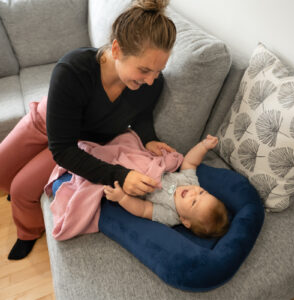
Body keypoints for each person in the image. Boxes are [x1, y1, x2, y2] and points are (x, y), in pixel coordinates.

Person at [0, 0, 177, 259]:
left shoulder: (151, 84)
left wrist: (148, 138)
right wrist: (121, 175)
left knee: (21, 189)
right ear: (116, 49)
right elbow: (59, 142)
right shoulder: (73, 70)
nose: (151, 80)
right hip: (43, 123)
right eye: (144, 69)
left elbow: (141, 113)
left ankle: (29, 231)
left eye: (158, 71)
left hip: (76, 142)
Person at [104, 135, 229, 238]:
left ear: (185, 221)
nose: (194, 193)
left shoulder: (170, 215)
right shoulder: (191, 182)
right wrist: (204, 146)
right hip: (151, 164)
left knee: (114, 164)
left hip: (138, 179)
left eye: (194, 202)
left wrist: (122, 198)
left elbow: (143, 209)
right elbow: (190, 162)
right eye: (202, 193)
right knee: (130, 143)